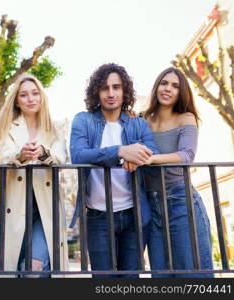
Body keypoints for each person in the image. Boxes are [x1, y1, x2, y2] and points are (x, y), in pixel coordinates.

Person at [70, 63, 159, 278]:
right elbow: (79, 155)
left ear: (124, 91)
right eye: (105, 88)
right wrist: (121, 151)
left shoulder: (137, 124)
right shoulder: (84, 120)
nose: (111, 93)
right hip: (98, 216)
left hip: (134, 215)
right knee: (104, 280)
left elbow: (152, 152)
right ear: (96, 92)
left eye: (116, 87)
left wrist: (137, 158)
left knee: (131, 279)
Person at [0, 74, 69, 277]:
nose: (31, 98)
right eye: (24, 95)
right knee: (17, 268)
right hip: (17, 205)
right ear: (17, 101)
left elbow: (60, 158)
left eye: (35, 93)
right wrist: (22, 155)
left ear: (42, 97)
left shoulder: (54, 127)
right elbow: (4, 157)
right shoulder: (8, 128)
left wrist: (43, 152)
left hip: (46, 207)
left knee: (34, 267)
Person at [143, 67, 213, 277]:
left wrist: (153, 159)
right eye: (164, 83)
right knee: (161, 274)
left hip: (180, 200)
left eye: (175, 86)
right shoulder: (143, 119)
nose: (168, 89)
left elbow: (187, 155)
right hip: (151, 204)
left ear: (181, 92)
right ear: (157, 86)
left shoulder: (186, 118)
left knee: (191, 273)